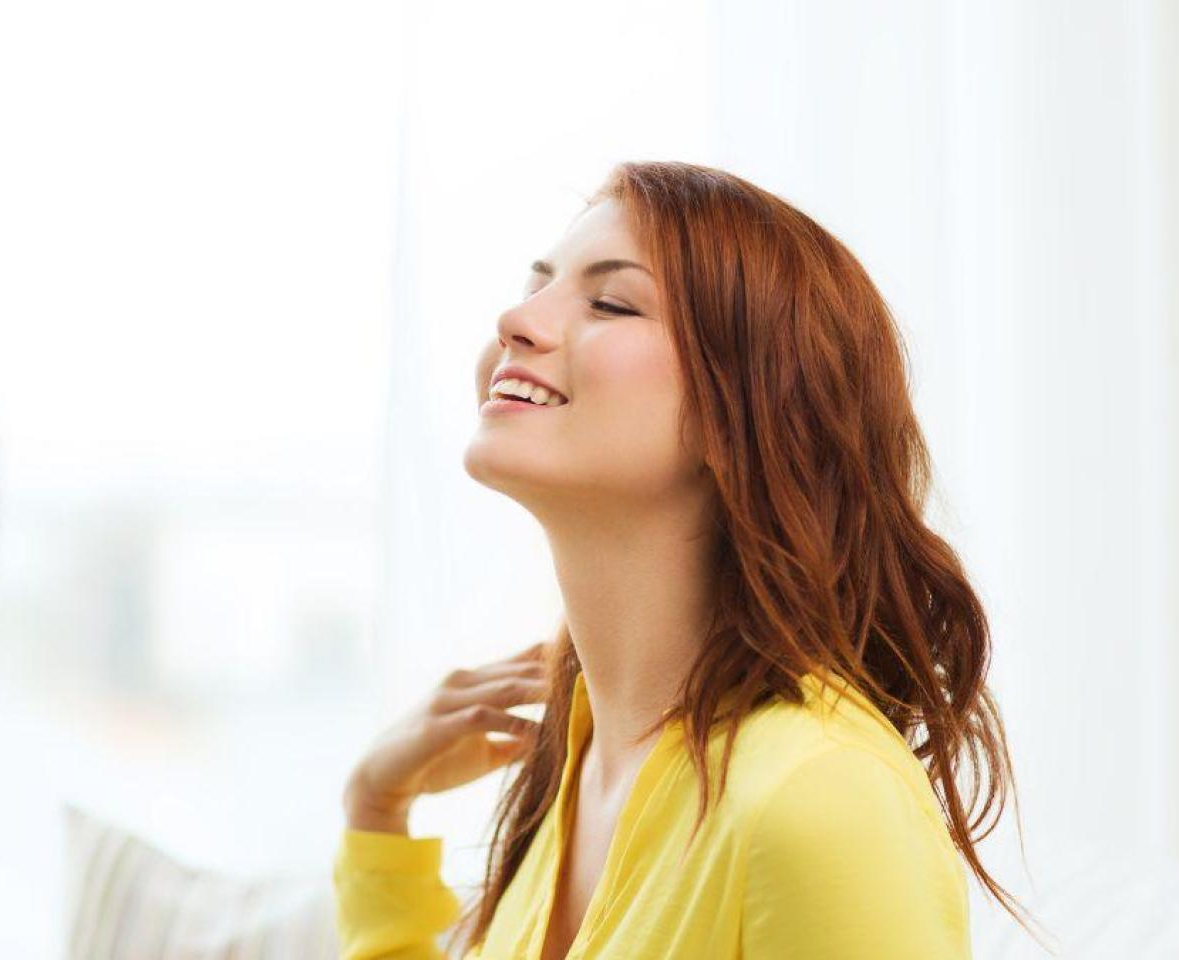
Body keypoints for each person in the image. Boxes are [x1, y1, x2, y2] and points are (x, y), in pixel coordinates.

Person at [334, 161, 1049, 959]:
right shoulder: (581, 766)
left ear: (746, 413)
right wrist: (376, 810)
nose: (517, 318)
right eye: (537, 284)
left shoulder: (819, 796)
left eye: (611, 301)